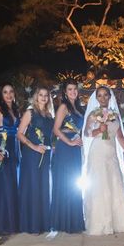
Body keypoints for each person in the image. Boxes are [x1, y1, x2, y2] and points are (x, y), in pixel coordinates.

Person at [82, 86, 124, 235]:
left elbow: (120, 137)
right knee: (100, 186)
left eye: (106, 95)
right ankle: (100, 223)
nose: (103, 98)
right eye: (100, 95)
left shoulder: (115, 115)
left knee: (114, 184)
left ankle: (119, 222)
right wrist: (99, 130)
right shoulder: (93, 114)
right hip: (97, 152)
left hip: (111, 153)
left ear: (110, 97)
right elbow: (86, 132)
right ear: (96, 98)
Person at [48, 80, 85, 233]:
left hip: (76, 149)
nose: (73, 92)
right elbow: (56, 129)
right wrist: (69, 142)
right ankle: (64, 222)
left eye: (75, 89)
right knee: (65, 182)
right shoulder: (63, 107)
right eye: (70, 89)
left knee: (74, 183)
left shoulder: (79, 108)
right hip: (66, 147)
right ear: (65, 92)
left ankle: (74, 220)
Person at [17, 87, 54, 234]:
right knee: (32, 187)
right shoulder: (30, 112)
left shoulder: (50, 115)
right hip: (31, 155)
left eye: (46, 95)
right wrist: (34, 147)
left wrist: (53, 147)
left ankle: (43, 223)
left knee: (43, 186)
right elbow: (19, 134)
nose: (44, 97)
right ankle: (31, 225)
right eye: (41, 95)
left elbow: (50, 136)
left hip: (45, 155)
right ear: (36, 97)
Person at [0, 82, 20, 235]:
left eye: (11, 91)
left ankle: (13, 223)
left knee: (14, 185)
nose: (8, 95)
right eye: (5, 92)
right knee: (4, 186)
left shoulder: (15, 109)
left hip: (15, 149)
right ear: (1, 95)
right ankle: (3, 225)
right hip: (3, 148)